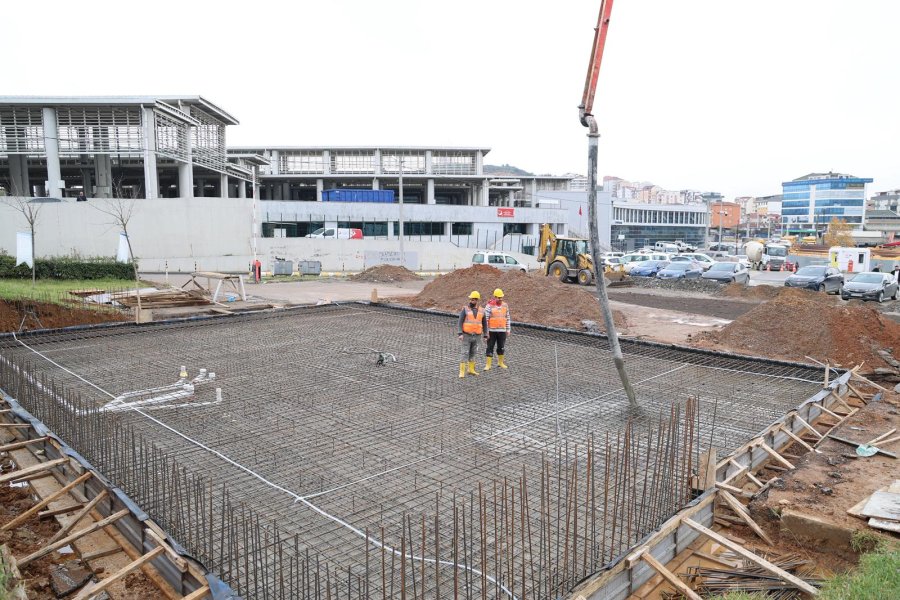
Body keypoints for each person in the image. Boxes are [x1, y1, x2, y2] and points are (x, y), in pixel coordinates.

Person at [457, 291, 485, 378]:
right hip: (466, 335)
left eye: (473, 300)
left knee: (473, 352)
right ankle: (462, 372)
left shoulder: (482, 311)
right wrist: (460, 333)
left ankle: (471, 370)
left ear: (477, 300)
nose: (471, 301)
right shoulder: (465, 309)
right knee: (465, 352)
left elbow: (485, 323)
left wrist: (486, 334)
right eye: (471, 299)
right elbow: (460, 321)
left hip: (477, 335)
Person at [483, 288, 511, 370]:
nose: (500, 299)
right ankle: (488, 365)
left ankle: (500, 363)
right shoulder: (489, 306)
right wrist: (486, 332)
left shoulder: (505, 305)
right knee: (490, 347)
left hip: (502, 330)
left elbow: (508, 317)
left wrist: (508, 329)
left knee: (501, 347)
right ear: (495, 297)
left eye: (501, 297)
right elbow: (485, 320)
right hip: (492, 331)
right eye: (499, 297)